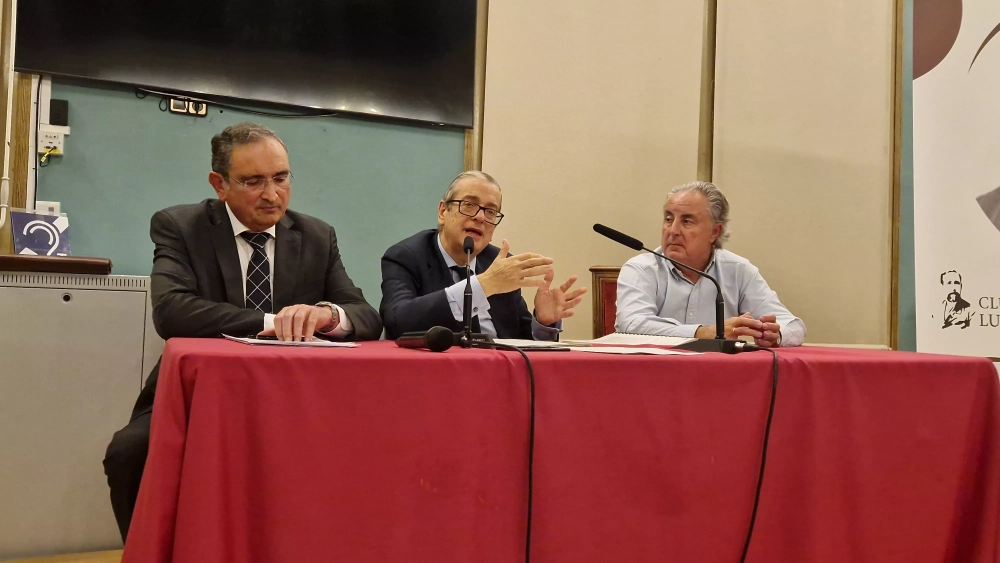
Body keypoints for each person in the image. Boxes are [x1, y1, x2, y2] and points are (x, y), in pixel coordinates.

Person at [103, 122, 382, 541]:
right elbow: (172, 311)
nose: (272, 194)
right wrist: (272, 322)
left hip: (293, 397)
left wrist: (326, 315)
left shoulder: (316, 236)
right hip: (199, 392)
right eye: (253, 182)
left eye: (281, 178)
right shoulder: (181, 227)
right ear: (220, 184)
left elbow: (367, 317)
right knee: (128, 454)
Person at [380, 171, 585, 340]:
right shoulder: (406, 256)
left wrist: (543, 322)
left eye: (490, 212)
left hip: (500, 371)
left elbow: (520, 340)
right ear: (443, 212)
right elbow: (397, 321)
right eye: (469, 205)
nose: (480, 217)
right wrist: (484, 284)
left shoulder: (498, 263)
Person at [615, 181, 805, 347]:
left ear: (715, 232)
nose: (673, 230)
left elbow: (794, 325)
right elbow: (631, 324)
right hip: (656, 371)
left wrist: (774, 334)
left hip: (719, 373)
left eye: (687, 221)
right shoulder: (642, 269)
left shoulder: (738, 270)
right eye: (668, 219)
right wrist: (703, 333)